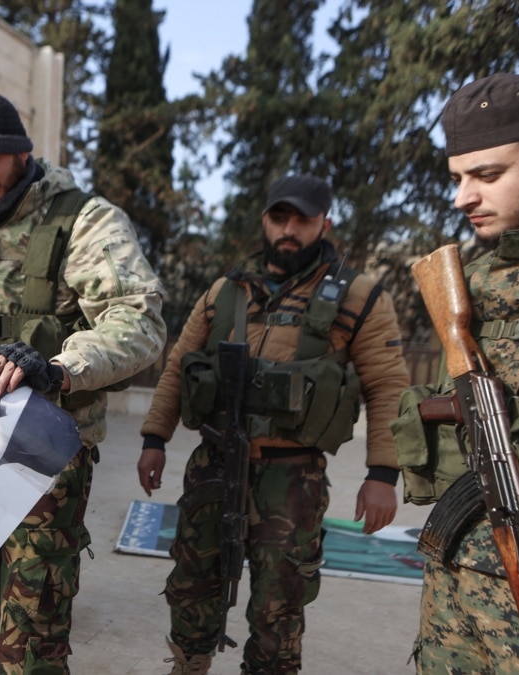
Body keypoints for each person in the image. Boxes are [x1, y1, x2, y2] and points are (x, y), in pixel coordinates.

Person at [0, 91, 167, 674]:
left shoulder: (83, 220)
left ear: (22, 152)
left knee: (31, 639)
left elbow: (139, 320)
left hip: (45, 457)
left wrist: (58, 367)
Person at [136, 173, 410, 674]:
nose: (290, 229)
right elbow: (179, 364)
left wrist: (383, 475)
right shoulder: (227, 289)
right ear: (265, 219)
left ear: (324, 223)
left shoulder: (359, 295)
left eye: (303, 219)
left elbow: (388, 385)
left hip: (292, 477)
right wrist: (156, 438)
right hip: (215, 462)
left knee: (277, 604)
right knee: (192, 583)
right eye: (280, 217)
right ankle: (188, 664)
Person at [403, 72, 519, 672]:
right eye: (458, 178)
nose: (462, 198)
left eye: (488, 175)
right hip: (459, 572)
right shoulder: (471, 284)